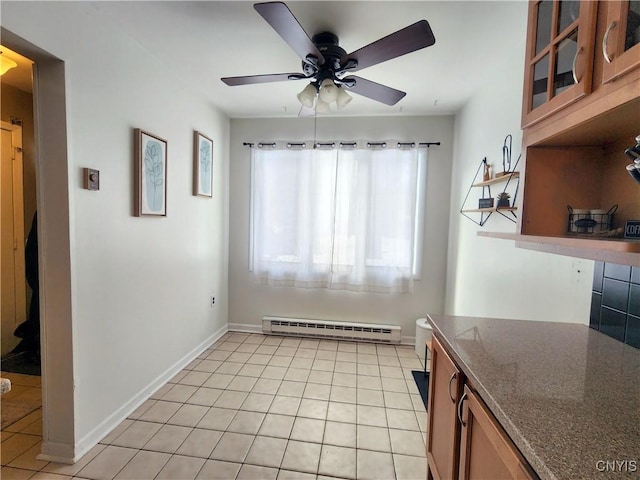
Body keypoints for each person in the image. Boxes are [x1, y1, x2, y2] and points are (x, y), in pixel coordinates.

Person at [12, 212, 40, 361]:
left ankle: (31, 342)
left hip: (40, 274)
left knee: (38, 310)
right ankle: (32, 344)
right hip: (42, 274)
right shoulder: (44, 213)